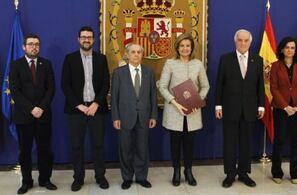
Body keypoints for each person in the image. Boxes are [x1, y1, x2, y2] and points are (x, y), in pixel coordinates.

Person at [61, 26, 110, 191]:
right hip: (77, 110)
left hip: (97, 109)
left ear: (94, 40)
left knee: (98, 145)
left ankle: (100, 176)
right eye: (83, 37)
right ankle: (78, 178)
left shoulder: (101, 59)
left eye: (89, 37)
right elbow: (65, 85)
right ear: (78, 39)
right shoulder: (70, 59)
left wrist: (96, 103)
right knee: (77, 146)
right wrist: (80, 106)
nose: (86, 39)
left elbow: (105, 84)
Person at [215, 29, 265, 188]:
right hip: (230, 108)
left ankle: (244, 173)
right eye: (240, 40)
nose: (243, 43)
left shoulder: (258, 60)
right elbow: (219, 84)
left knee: (246, 143)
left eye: (246, 41)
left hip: (250, 109)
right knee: (229, 143)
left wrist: (261, 105)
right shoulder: (225, 59)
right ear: (235, 41)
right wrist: (218, 105)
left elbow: (260, 86)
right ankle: (230, 174)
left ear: (250, 42)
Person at [158, 33, 210, 186]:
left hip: (193, 112)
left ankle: (188, 170)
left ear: (191, 48)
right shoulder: (170, 64)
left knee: (189, 144)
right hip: (175, 111)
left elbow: (205, 86)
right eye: (182, 46)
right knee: (175, 144)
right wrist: (174, 102)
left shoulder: (198, 64)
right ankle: (176, 171)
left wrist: (197, 100)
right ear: (177, 47)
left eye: (188, 45)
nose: (185, 48)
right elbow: (162, 86)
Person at [9, 34, 57, 194]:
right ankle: (26, 182)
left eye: (37, 44)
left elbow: (51, 89)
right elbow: (15, 92)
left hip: (44, 115)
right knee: (25, 151)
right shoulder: (16, 65)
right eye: (30, 44)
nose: (34, 47)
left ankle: (45, 179)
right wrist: (31, 109)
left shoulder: (46, 64)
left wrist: (41, 108)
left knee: (45, 150)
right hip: (24, 116)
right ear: (24, 47)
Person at [111, 43, 158, 190]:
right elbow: (114, 98)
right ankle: (127, 177)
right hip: (124, 117)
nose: (136, 54)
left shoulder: (149, 72)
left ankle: (141, 177)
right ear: (127, 54)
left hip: (144, 117)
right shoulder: (119, 73)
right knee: (125, 149)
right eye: (133, 52)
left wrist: (153, 116)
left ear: (142, 54)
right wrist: (116, 117)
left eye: (139, 52)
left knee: (142, 148)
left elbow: (153, 96)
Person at [269, 37, 297, 185]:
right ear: (281, 49)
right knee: (279, 141)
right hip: (281, 109)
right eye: (287, 47)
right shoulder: (275, 66)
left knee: (296, 142)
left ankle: (295, 173)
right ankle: (277, 173)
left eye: (292, 48)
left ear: (295, 50)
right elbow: (274, 88)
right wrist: (286, 106)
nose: (289, 50)